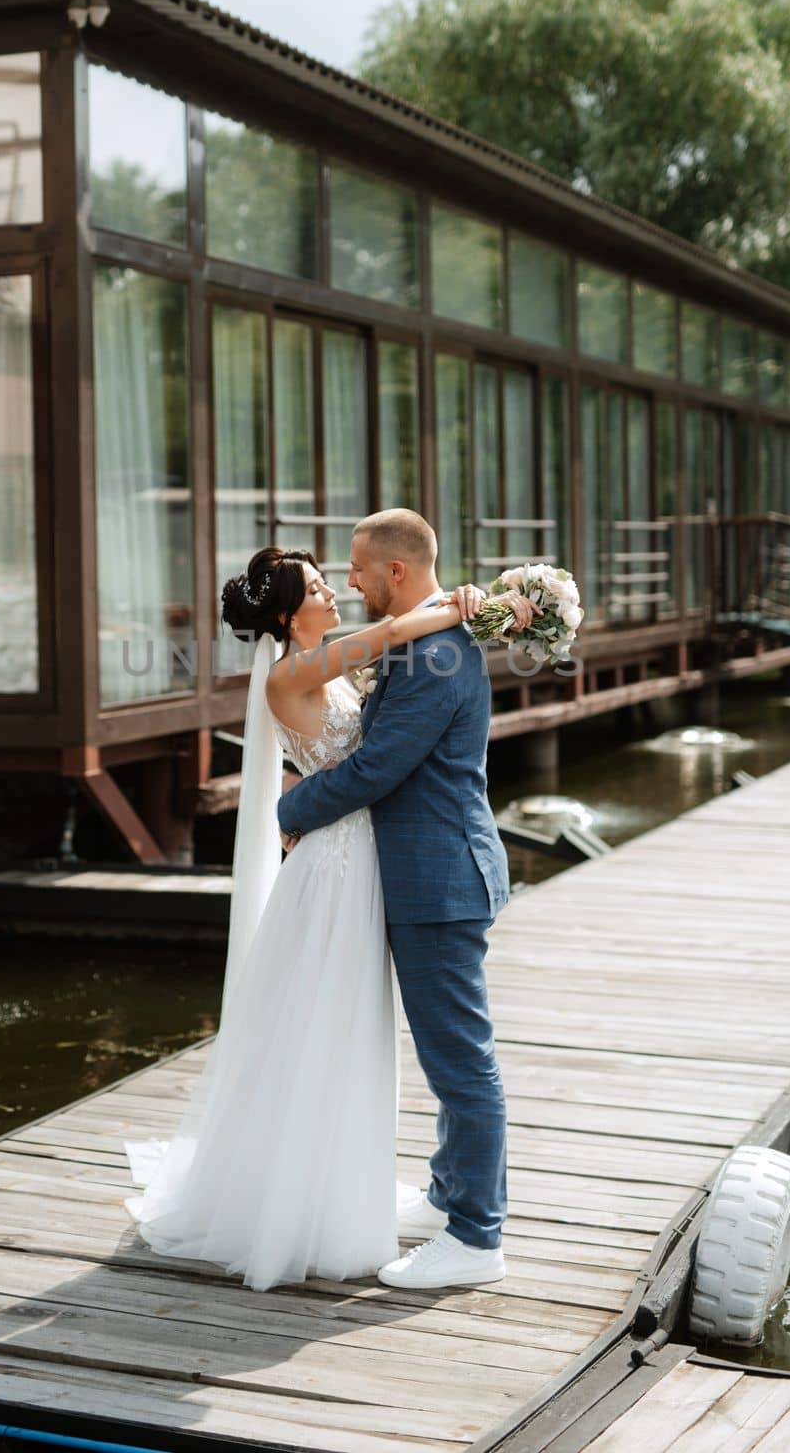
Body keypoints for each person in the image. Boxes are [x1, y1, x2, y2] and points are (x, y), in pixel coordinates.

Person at [120, 539, 527, 1292]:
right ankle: (384, 1202)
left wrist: (473, 607)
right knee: (324, 1028)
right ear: (284, 614)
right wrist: (467, 605)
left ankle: (459, 1217)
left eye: (340, 575)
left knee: (401, 1043)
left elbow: (378, 718)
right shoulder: (295, 671)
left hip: (377, 864)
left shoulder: (341, 661)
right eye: (315, 586)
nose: (336, 589)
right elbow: (394, 643)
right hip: (342, 870)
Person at [278, 510, 516, 1290]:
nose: (349, 580)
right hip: (426, 871)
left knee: (460, 1060)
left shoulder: (435, 656)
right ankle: (451, 1196)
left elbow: (376, 767)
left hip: (440, 878)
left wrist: (287, 813)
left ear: (399, 574)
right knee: (449, 1053)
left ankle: (477, 1237)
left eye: (356, 567)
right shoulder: (422, 641)